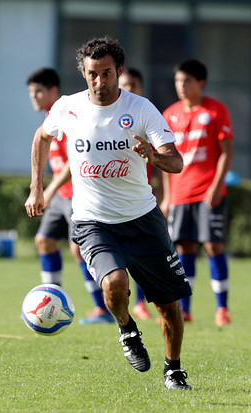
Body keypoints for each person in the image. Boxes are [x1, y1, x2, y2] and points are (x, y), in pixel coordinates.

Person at [25, 36, 192, 390]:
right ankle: (127, 329)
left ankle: (173, 368)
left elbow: (176, 162)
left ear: (118, 71)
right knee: (114, 283)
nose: (100, 82)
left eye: (107, 74)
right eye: (92, 75)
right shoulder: (68, 108)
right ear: (83, 74)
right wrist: (36, 188)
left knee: (169, 307)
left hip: (143, 219)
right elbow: (41, 137)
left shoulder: (142, 109)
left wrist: (152, 154)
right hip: (93, 220)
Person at [25, 67, 113, 325]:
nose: (34, 96)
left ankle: (103, 309)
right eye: (31, 92)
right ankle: (50, 301)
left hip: (77, 195)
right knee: (44, 241)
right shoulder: (48, 118)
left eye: (39, 91)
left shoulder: (68, 116)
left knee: (79, 250)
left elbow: (74, 162)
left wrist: (47, 190)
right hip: (60, 196)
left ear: (54, 91)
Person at [160, 59, 234, 326]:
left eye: (187, 81)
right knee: (184, 248)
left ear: (200, 83)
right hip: (180, 194)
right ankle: (186, 310)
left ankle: (222, 308)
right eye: (178, 81)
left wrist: (216, 185)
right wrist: (167, 197)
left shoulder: (216, 111)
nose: (181, 86)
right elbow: (165, 161)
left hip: (208, 192)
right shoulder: (169, 114)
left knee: (213, 246)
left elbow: (227, 152)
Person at [118, 67, 152, 321]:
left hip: (145, 201)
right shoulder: (107, 119)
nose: (128, 90)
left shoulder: (146, 117)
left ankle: (141, 302)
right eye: (124, 85)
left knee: (142, 256)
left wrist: (167, 197)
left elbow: (164, 166)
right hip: (115, 202)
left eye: (133, 86)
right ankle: (129, 303)